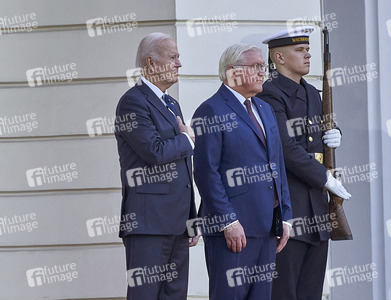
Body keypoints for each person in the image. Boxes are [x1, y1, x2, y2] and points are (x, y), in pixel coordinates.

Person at [257, 26, 352, 300]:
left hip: (317, 211)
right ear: (279, 58)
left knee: (311, 292)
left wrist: (336, 134)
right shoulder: (270, 94)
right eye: (299, 50)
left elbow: (320, 132)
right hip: (290, 207)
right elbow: (285, 148)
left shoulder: (311, 92)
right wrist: (324, 177)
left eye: (308, 49)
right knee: (284, 292)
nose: (308, 55)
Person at [192, 43, 292, 300]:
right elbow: (206, 172)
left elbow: (277, 165)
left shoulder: (264, 109)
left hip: (267, 229)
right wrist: (228, 221)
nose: (263, 73)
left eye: (263, 67)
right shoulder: (211, 110)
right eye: (256, 66)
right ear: (232, 72)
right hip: (232, 231)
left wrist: (286, 216)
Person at [114, 32, 199, 299]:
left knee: (175, 295)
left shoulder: (171, 103)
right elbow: (154, 152)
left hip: (177, 224)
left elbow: (182, 168)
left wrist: (191, 217)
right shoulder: (133, 101)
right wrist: (187, 139)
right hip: (148, 224)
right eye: (173, 57)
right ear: (151, 63)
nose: (179, 64)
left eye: (178, 58)